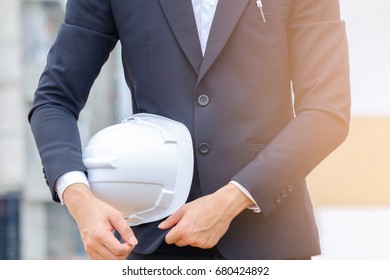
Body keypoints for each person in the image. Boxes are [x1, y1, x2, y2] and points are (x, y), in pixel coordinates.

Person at [28, 0, 351, 260]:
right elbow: (54, 100)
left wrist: (231, 199)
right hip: (154, 239)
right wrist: (80, 200)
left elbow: (326, 112)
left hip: (269, 242)